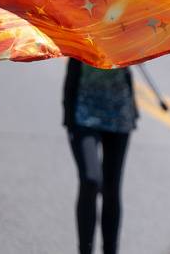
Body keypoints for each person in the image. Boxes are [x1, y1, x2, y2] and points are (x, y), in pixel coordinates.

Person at [63, 59, 138, 254]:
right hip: (83, 113)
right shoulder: (83, 28)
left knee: (112, 188)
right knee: (91, 180)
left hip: (120, 113)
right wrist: (68, 115)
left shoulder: (127, 29)